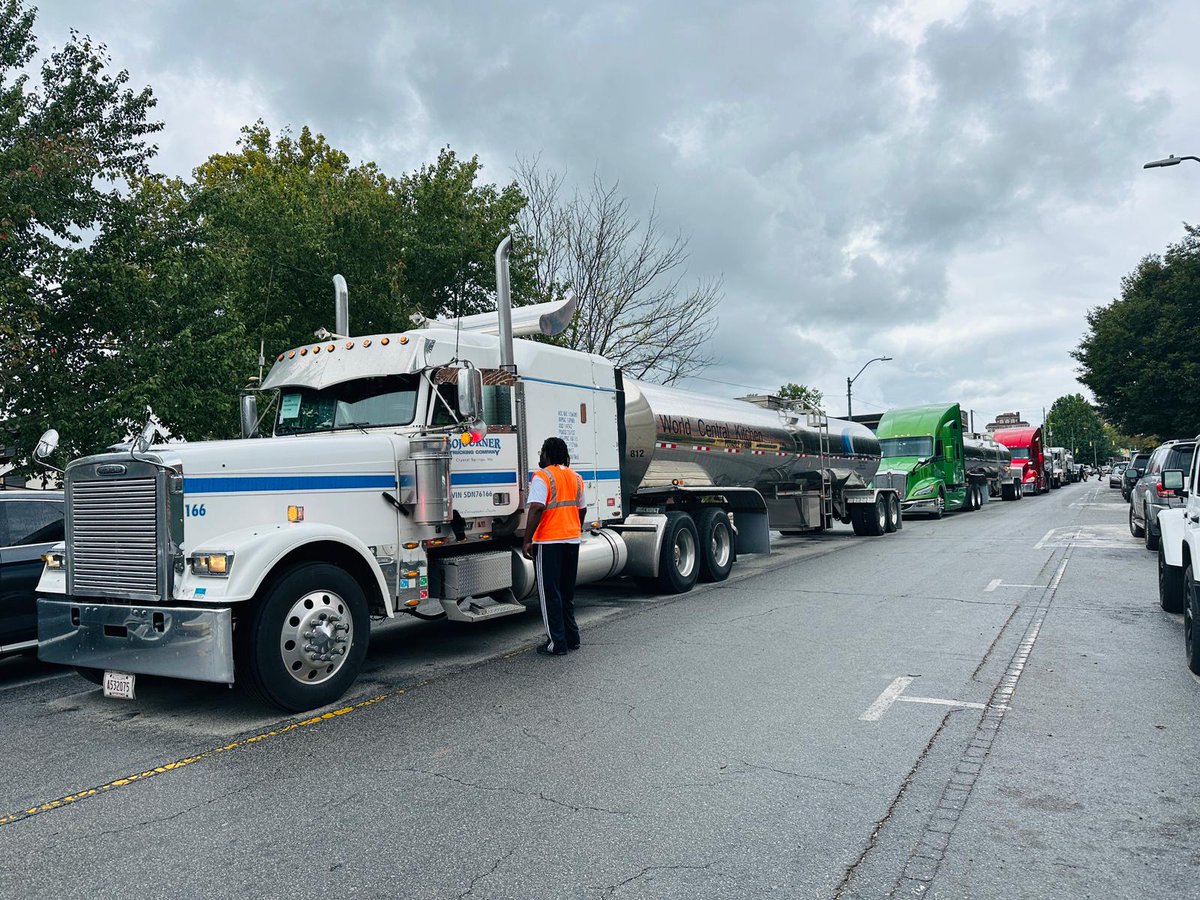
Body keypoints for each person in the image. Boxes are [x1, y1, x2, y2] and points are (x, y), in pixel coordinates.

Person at [522, 437, 588, 656]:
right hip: (572, 540)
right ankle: (572, 638)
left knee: (550, 593)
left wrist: (527, 539)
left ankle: (556, 643)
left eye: (542, 452)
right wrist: (573, 527)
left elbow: (537, 508)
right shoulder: (576, 477)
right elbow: (582, 509)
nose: (540, 456)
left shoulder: (542, 476)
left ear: (549, 454)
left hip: (549, 541)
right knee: (566, 592)